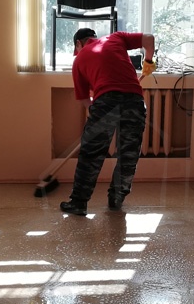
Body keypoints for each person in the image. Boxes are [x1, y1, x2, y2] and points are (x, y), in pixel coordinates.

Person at [59, 27, 156, 216]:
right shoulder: (116, 38)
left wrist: (98, 114)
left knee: (91, 154)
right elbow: (149, 38)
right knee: (128, 153)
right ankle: (116, 198)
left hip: (105, 102)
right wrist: (149, 62)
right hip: (135, 101)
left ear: (78, 44)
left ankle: (78, 203)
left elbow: (84, 100)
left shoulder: (79, 60)